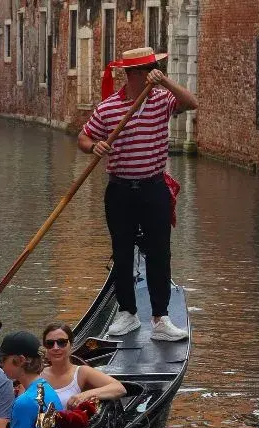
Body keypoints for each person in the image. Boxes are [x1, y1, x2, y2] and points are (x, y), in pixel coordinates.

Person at [78, 47, 197, 342]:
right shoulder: (108, 109)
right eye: (148, 69)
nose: (152, 72)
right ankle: (128, 314)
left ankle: (160, 318)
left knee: (159, 254)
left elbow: (191, 103)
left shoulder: (162, 101)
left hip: (154, 189)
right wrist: (95, 146)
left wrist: (167, 82)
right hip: (120, 190)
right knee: (122, 253)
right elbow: (83, 136)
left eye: (154, 68)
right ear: (134, 74)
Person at [39, 322, 126, 409]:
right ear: (45, 348)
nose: (56, 348)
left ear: (71, 346)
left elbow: (119, 388)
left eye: (62, 342)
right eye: (50, 343)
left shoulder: (82, 372)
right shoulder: (37, 375)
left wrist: (85, 395)